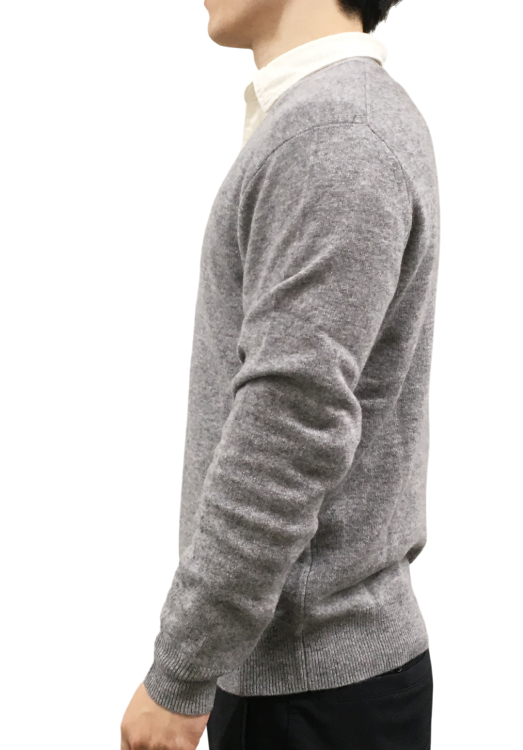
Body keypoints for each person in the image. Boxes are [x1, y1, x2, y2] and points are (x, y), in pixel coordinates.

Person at [120, 0, 440, 747]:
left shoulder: (335, 134)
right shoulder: (334, 119)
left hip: (309, 691)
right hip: (306, 674)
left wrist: (181, 672)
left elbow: (290, 425)